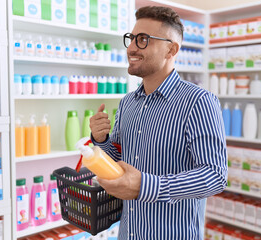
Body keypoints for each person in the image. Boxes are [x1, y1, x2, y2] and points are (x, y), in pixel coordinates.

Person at [90, 6, 227, 239]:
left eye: (143, 39)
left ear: (170, 49)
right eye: (132, 39)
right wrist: (101, 140)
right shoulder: (127, 103)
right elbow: (119, 162)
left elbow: (215, 176)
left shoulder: (198, 102)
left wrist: (146, 185)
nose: (132, 48)